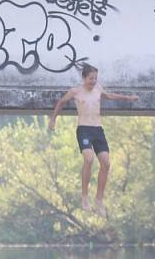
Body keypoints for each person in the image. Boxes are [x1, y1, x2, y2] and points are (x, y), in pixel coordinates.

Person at [48, 63, 139, 217]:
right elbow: (61, 102)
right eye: (91, 78)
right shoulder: (75, 91)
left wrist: (129, 97)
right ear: (84, 78)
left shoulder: (98, 89)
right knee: (89, 159)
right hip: (84, 129)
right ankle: (84, 197)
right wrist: (53, 119)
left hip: (98, 130)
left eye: (95, 78)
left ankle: (99, 199)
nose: (93, 81)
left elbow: (111, 96)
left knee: (106, 163)